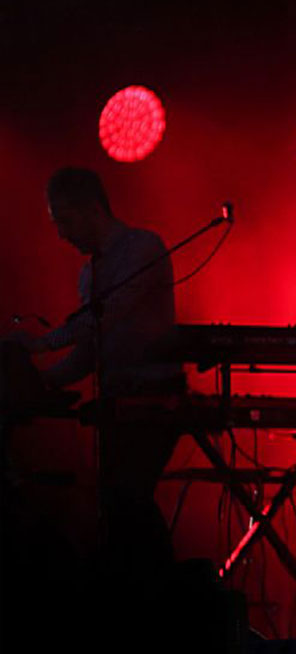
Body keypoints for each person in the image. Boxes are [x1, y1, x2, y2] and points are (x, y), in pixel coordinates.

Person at [11, 166, 185, 577]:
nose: (61, 234)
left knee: (129, 497)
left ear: (92, 209)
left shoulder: (142, 247)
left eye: (65, 221)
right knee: (116, 505)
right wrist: (41, 380)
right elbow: (89, 351)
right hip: (117, 405)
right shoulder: (89, 272)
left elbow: (104, 317)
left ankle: (169, 593)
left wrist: (39, 345)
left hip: (154, 399)